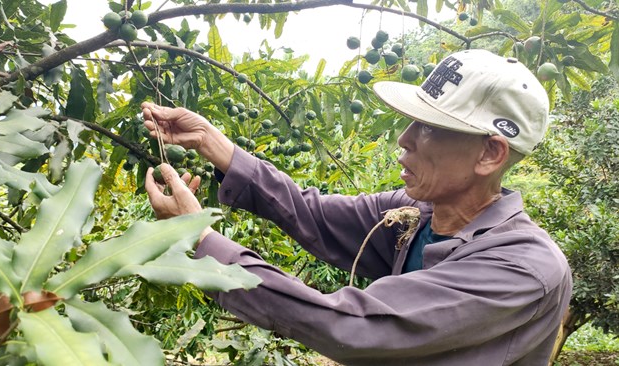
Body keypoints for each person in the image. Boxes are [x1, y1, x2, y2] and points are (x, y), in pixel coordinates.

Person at [142, 49, 572, 365]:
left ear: (490, 155)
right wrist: (213, 144)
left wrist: (198, 239)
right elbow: (310, 213)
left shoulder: (524, 269)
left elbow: (355, 326)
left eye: (428, 127)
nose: (404, 139)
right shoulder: (413, 214)